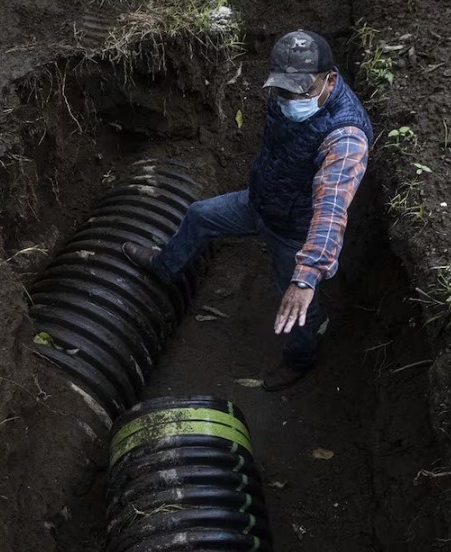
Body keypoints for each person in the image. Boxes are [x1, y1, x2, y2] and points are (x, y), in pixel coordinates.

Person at [123, 30, 372, 391]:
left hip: (295, 230)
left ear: (330, 79)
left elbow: (331, 208)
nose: (290, 98)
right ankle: (165, 268)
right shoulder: (287, 95)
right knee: (199, 214)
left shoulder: (345, 136)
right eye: (283, 89)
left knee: (300, 310)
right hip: (260, 203)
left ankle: (299, 360)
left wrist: (307, 276)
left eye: (300, 89)